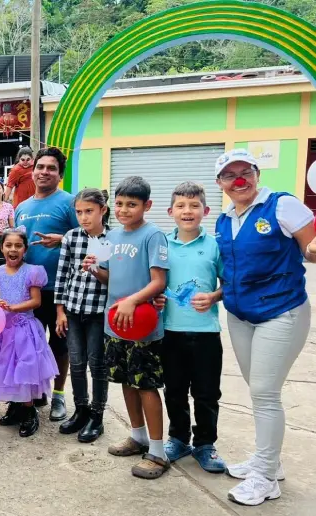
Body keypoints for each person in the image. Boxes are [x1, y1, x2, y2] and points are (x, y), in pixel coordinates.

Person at [212, 149, 316, 505]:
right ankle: (268, 459)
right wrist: (215, 295)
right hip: (240, 315)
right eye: (230, 175)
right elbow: (231, 271)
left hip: (282, 312)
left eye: (246, 171)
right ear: (220, 183)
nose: (239, 179)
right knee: (258, 391)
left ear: (257, 173)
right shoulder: (224, 219)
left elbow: (311, 248)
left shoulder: (283, 205)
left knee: (265, 393)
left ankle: (266, 477)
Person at [84, 175, 169, 480]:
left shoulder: (153, 235)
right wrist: (93, 269)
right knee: (125, 382)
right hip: (115, 324)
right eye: (119, 204)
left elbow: (159, 281)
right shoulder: (109, 238)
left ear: (147, 205)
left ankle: (158, 453)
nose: (124, 210)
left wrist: (133, 301)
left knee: (146, 385)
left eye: (132, 204)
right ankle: (138, 436)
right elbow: (108, 277)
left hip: (143, 327)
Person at [154, 182, 226, 473]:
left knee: (207, 393)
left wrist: (213, 296)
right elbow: (154, 280)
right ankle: (179, 438)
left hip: (206, 331)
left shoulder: (215, 245)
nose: (188, 211)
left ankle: (205, 444)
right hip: (170, 330)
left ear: (205, 211)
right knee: (174, 390)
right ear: (171, 212)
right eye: (181, 206)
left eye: (194, 206)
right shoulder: (161, 245)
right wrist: (155, 295)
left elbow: (228, 282)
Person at [17, 147, 79, 421]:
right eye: (40, 166)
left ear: (60, 175)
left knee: (59, 345)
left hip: (61, 288)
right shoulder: (21, 207)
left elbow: (94, 238)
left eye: (51, 168)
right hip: (28, 289)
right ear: (33, 170)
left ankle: (58, 396)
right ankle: (37, 391)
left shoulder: (70, 203)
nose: (44, 172)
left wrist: (63, 239)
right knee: (31, 344)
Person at [0, 228, 58, 437]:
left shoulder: (32, 271)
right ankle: (14, 406)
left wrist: (13, 308)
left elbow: (36, 301)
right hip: (2, 330)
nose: (13, 249)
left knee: (24, 369)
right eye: (8, 245)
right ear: (2, 248)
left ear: (25, 249)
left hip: (24, 329)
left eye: (18, 245)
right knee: (6, 368)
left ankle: (28, 410)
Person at [54, 188, 109, 443]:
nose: (84, 217)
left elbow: (115, 279)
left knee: (97, 364)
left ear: (103, 211)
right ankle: (81, 409)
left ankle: (97, 416)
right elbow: (62, 275)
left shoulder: (112, 239)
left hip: (99, 312)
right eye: (79, 212)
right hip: (73, 311)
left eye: (89, 211)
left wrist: (96, 270)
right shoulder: (71, 237)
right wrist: (60, 311)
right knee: (76, 364)